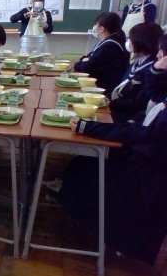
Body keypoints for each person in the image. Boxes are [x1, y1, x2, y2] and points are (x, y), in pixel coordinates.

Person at [57, 102, 167, 265]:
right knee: (84, 162)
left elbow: (143, 134)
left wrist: (88, 128)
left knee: (87, 170)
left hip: (149, 178)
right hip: (141, 159)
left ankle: (100, 232)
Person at [109, 22, 163, 123]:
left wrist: (110, 103)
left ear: (141, 41)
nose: (128, 42)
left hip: (131, 117)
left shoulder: (152, 69)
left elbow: (139, 103)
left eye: (130, 38)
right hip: (120, 108)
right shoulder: (138, 62)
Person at [74, 12, 129, 97]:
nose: (93, 27)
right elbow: (88, 57)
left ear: (101, 29)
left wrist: (81, 62)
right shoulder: (105, 41)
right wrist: (84, 60)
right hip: (98, 84)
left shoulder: (110, 45)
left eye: (95, 25)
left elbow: (87, 68)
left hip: (104, 89)